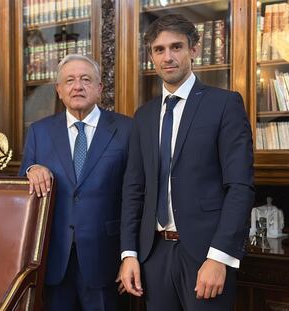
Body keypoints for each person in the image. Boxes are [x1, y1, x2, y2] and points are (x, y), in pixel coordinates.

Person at [119, 14, 254, 310]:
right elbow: (134, 189)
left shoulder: (224, 104)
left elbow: (240, 187)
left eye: (176, 47)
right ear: (151, 56)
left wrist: (219, 257)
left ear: (194, 50)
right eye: (159, 49)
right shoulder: (144, 115)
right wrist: (129, 253)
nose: (168, 57)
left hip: (206, 255)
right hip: (153, 256)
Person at [19, 54, 132, 311]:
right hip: (54, 259)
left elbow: (136, 197)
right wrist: (31, 168)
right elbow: (22, 190)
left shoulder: (127, 130)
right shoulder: (39, 131)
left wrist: (130, 255)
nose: (77, 86)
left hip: (106, 259)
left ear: (100, 88)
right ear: (59, 91)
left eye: (85, 79)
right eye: (69, 80)